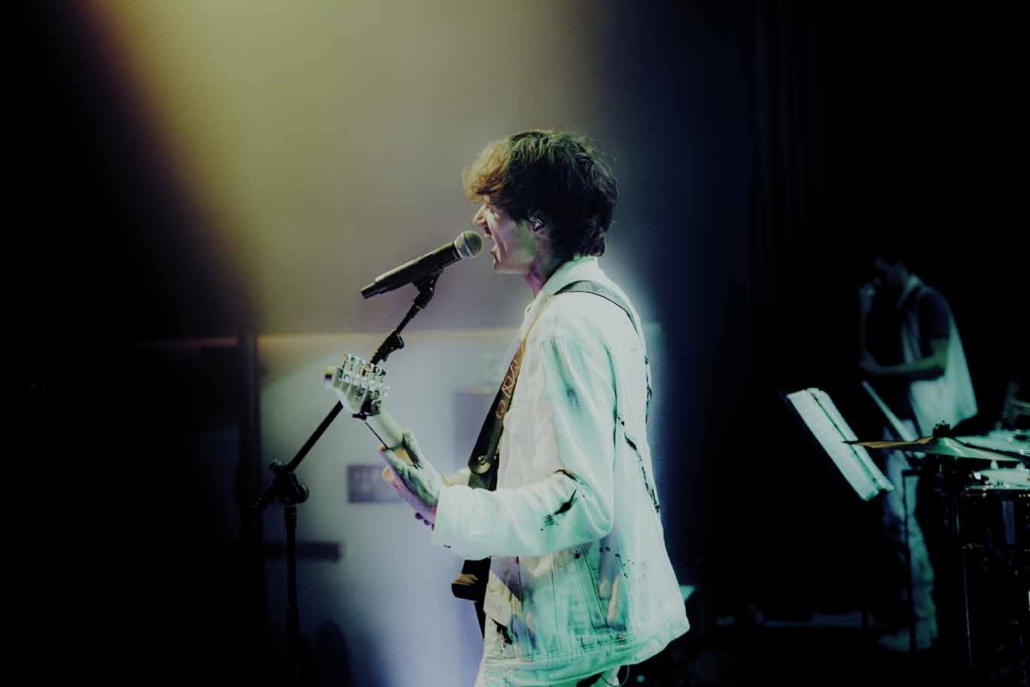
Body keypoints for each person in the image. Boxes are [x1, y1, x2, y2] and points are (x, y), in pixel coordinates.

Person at [375, 130, 689, 686]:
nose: (479, 221)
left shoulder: (566, 324)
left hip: (561, 648)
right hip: (583, 637)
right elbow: (561, 467)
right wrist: (452, 493)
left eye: (493, 207)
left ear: (538, 220)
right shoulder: (600, 305)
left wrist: (453, 510)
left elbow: (583, 500)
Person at [857, 250, 977, 651]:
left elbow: (938, 363)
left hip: (923, 427)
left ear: (898, 263)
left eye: (880, 273)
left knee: (903, 522)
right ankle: (917, 621)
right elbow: (863, 362)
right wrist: (863, 316)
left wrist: (883, 373)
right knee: (897, 523)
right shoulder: (894, 306)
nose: (876, 282)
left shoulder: (927, 301)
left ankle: (923, 626)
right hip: (904, 425)